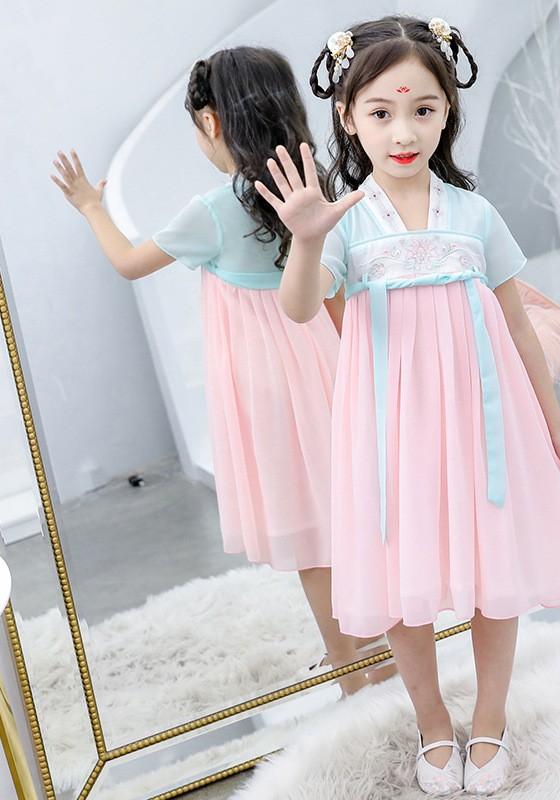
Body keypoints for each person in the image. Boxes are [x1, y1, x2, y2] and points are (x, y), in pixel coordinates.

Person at [255, 17, 560, 794]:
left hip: (485, 424)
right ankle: (433, 724)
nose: (404, 131)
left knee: (492, 568)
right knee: (400, 579)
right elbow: (300, 308)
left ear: (448, 110)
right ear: (348, 118)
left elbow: (518, 325)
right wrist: (306, 241)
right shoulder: (345, 222)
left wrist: (555, 424)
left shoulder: (475, 214)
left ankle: (490, 719)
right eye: (381, 112)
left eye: (422, 109)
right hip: (389, 432)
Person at [50, 46, 385, 697]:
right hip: (329, 365)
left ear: (211, 121)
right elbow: (338, 295)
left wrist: (91, 206)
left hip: (266, 384)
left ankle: (349, 668)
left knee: (308, 530)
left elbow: (129, 263)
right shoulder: (317, 187)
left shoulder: (212, 210)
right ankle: (383, 648)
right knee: (350, 511)